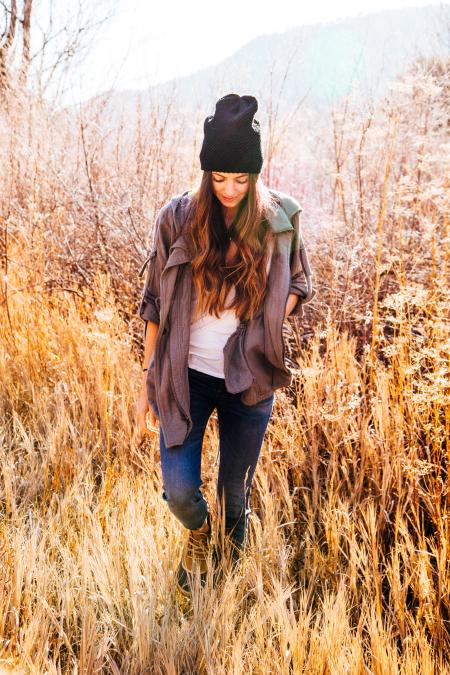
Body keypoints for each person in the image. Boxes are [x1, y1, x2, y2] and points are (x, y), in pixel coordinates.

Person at [136, 93, 315, 598]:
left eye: (241, 178)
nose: (231, 189)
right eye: (220, 178)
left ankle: (224, 584)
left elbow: (302, 284)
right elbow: (153, 304)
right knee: (178, 492)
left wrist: (270, 320)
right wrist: (146, 382)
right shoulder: (176, 218)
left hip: (249, 378)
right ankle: (197, 533)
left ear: (255, 174)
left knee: (235, 497)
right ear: (205, 172)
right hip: (184, 376)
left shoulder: (279, 219)